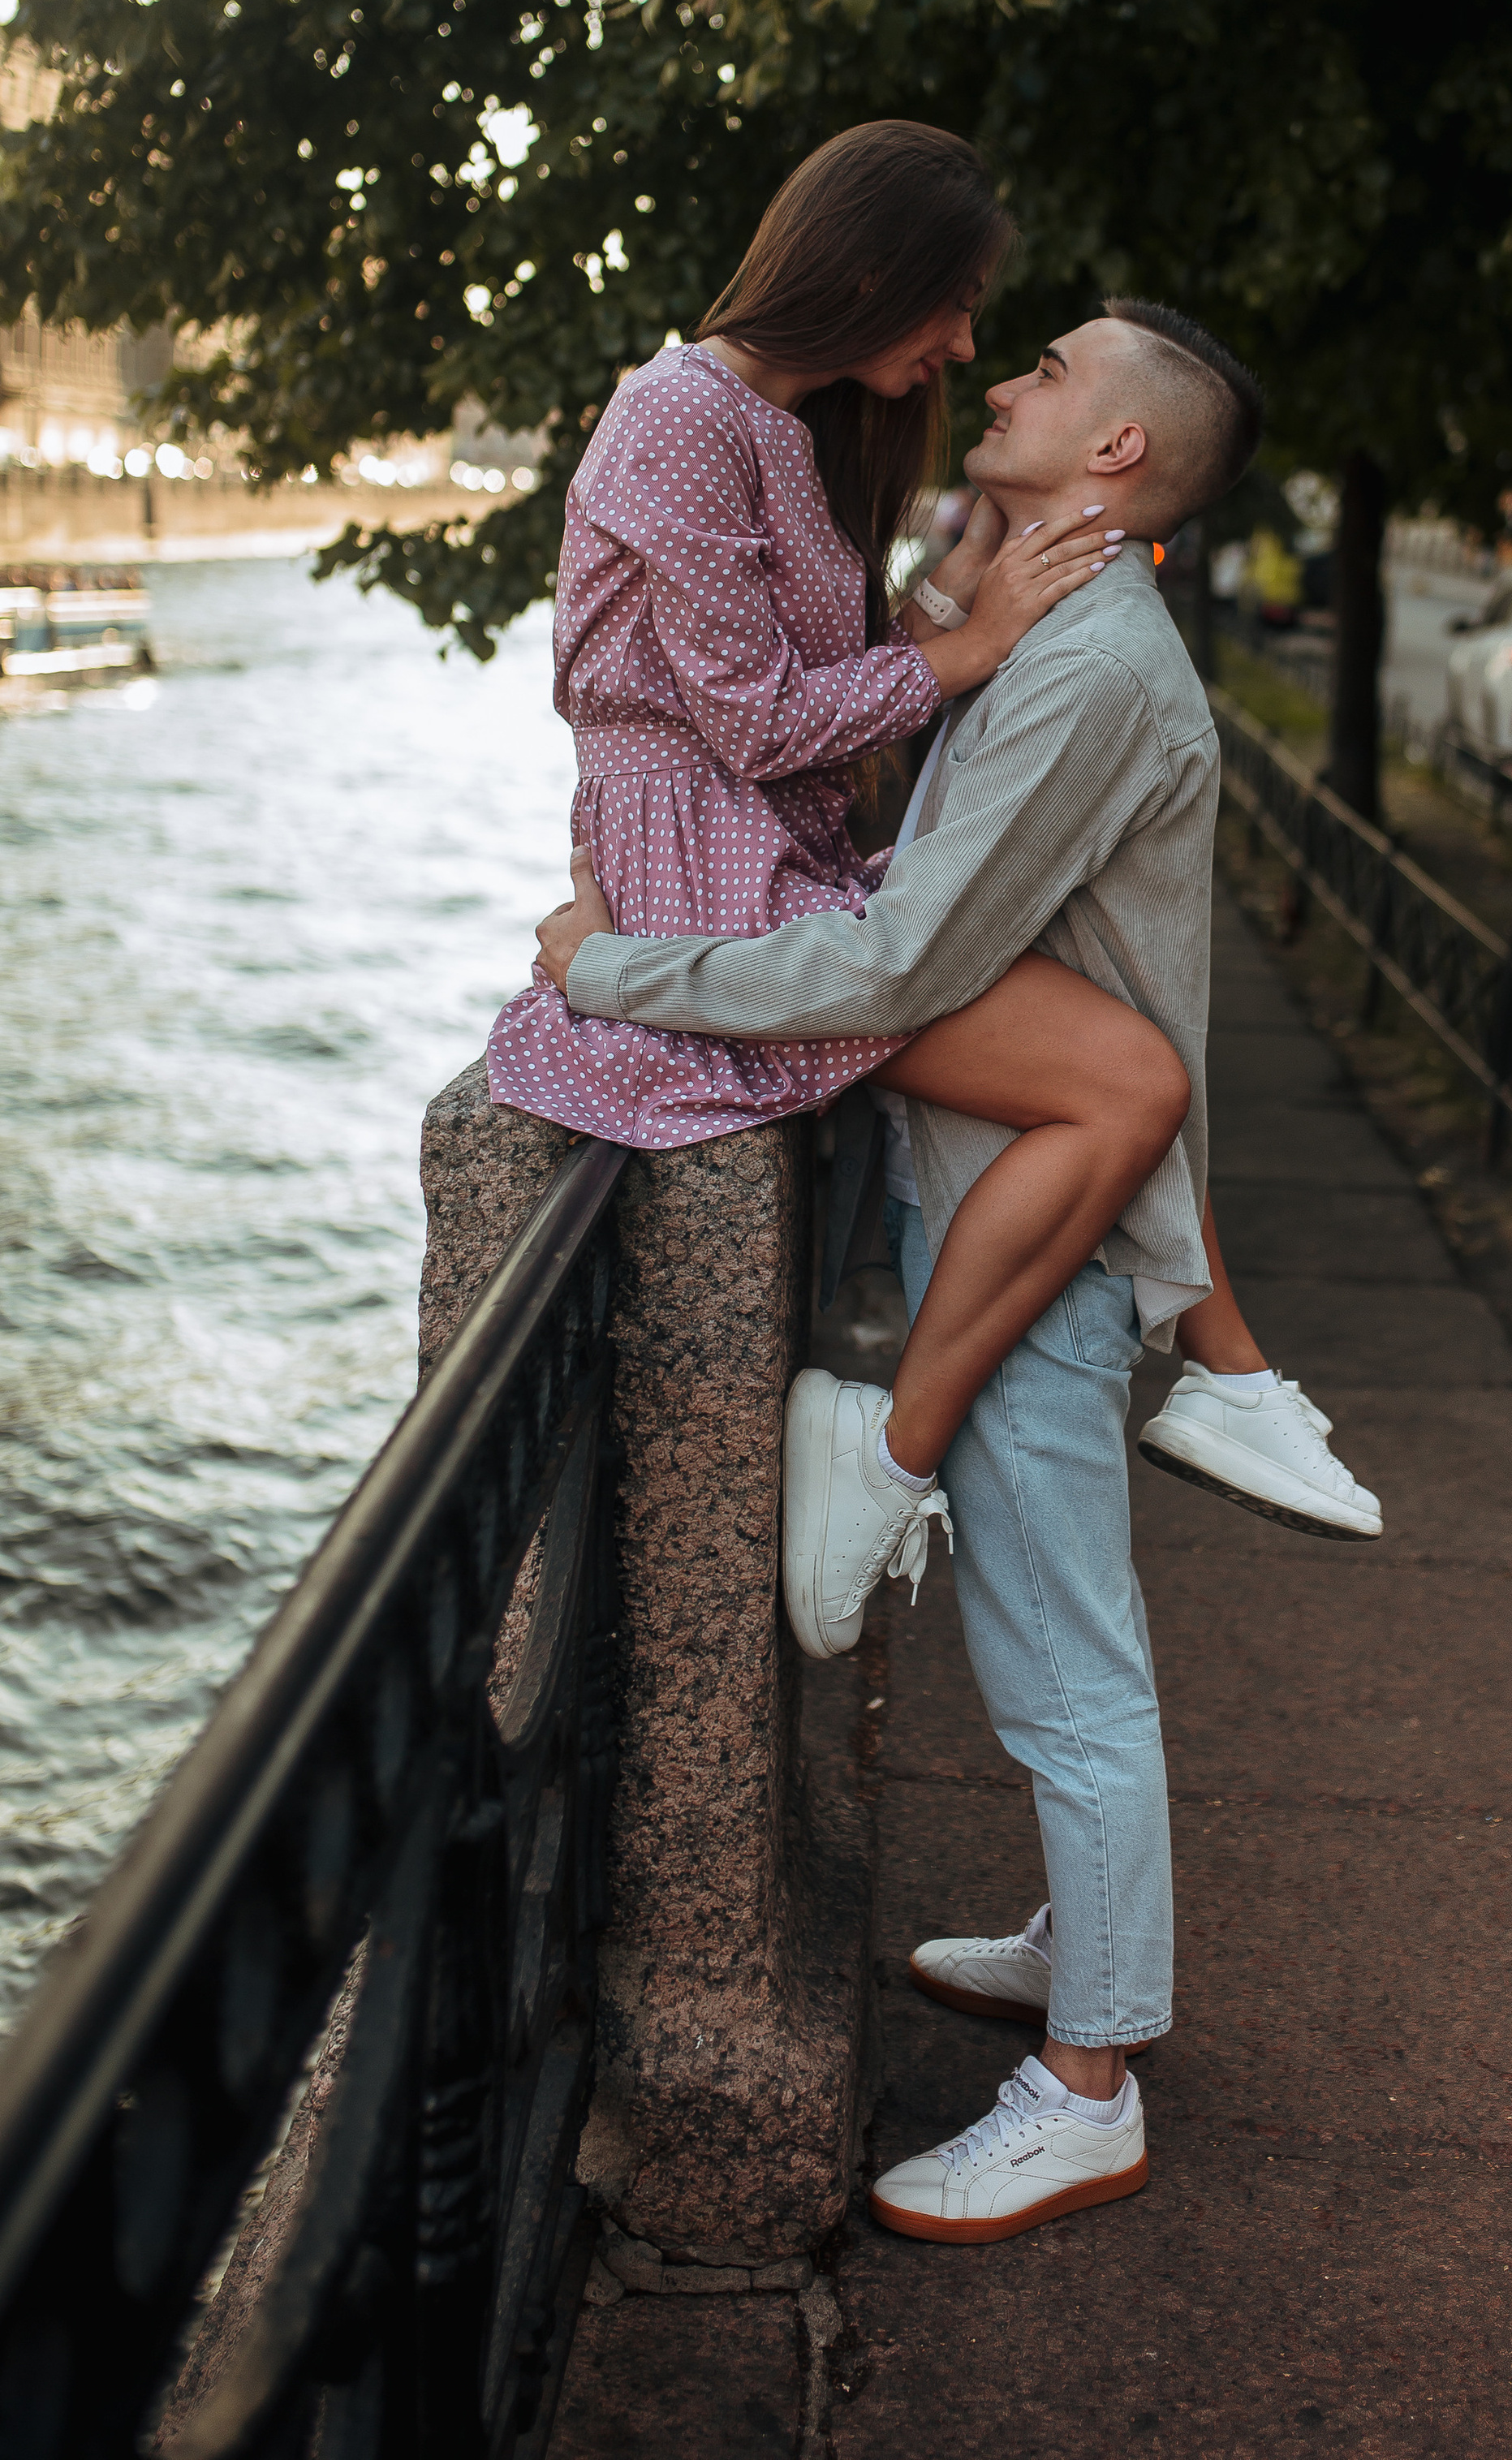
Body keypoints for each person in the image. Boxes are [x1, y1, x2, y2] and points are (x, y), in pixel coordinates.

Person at [532, 300, 1380, 2247]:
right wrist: (954, 579)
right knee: (1045, 1640)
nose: (997, 380)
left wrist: (612, 973)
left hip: (1042, 1226)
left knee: (1069, 1671)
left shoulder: (1091, 671)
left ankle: (1086, 2088)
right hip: (1011, 1186)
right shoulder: (1038, 609)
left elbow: (898, 966)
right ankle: (1073, 1935)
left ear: (1115, 459)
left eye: (1047, 375)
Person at [497, 122, 1372, 1669]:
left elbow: (815, 670)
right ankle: (928, 1447)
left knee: (1125, 1055)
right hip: (707, 859)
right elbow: (762, 718)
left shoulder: (768, 427)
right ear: (873, 274)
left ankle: (1215, 1377)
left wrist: (968, 572)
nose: (968, 347)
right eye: (958, 305)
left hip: (770, 842)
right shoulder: (679, 416)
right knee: (1125, 1076)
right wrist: (962, 647)